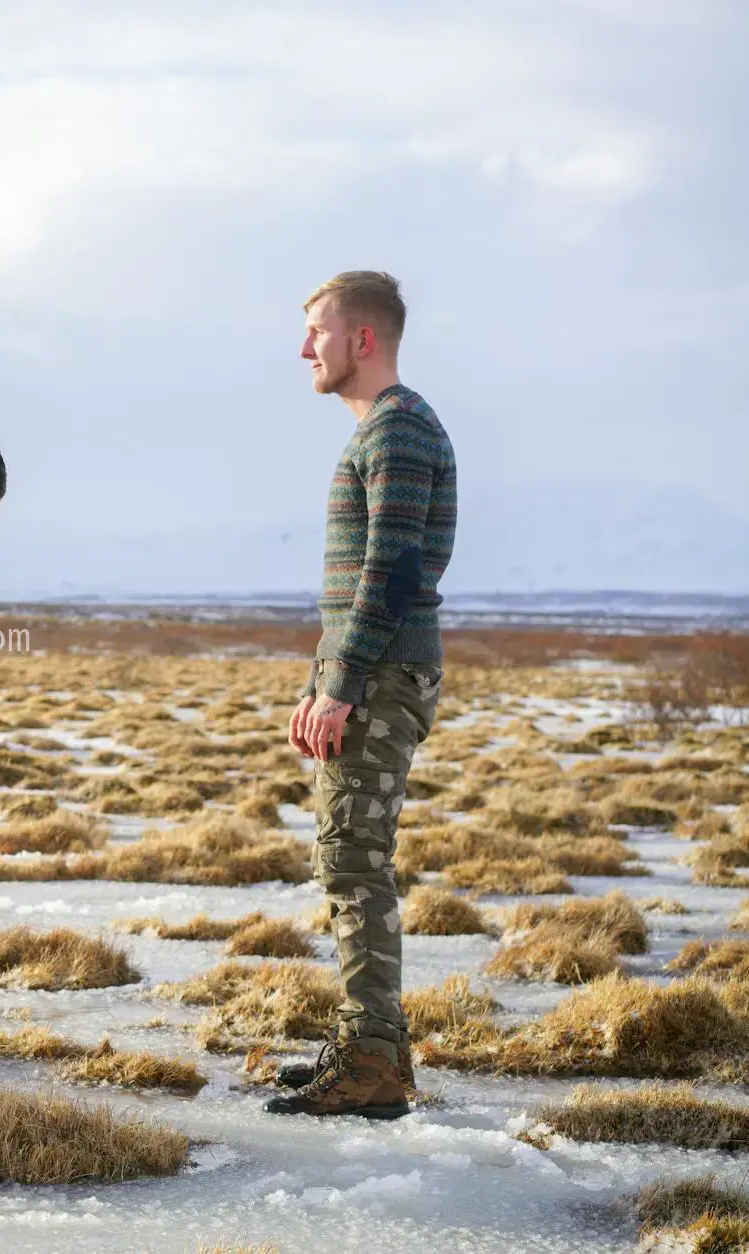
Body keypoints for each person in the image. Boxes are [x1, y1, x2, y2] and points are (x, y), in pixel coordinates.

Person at [264, 271, 458, 1120]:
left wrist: (340, 686)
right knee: (348, 858)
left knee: (353, 861)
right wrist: (322, 681)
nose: (305, 348)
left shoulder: (400, 429)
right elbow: (365, 583)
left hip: (380, 677)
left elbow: (392, 570)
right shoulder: (381, 430)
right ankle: (373, 1050)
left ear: (362, 340)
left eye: (317, 331)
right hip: (363, 674)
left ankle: (373, 1064)